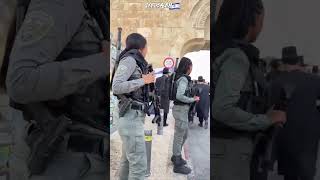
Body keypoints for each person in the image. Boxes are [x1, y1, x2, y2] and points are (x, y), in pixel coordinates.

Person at [3, 1, 109, 179]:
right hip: (65, 160)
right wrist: (104, 63)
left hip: (88, 157)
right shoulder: (60, 4)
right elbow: (20, 82)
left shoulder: (94, 6)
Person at [212, 0, 287, 180]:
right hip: (228, 155)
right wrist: (265, 120)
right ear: (252, 19)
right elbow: (223, 109)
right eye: (261, 19)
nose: (262, 26)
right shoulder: (236, 57)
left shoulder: (221, 49)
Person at [270, 46, 320, 180]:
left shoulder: (276, 82)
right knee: (307, 173)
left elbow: (269, 107)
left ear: (283, 62)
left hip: (286, 133)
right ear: (298, 61)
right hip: (309, 134)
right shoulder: (314, 80)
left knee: (289, 174)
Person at [112, 33, 155, 180]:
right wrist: (143, 81)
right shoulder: (130, 60)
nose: (147, 49)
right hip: (130, 117)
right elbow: (116, 87)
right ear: (142, 47)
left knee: (127, 161)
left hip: (132, 117)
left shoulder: (135, 61)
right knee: (139, 166)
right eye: (147, 46)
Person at [171, 57, 200, 174]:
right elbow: (179, 96)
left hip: (181, 110)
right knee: (180, 135)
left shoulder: (182, 78)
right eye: (191, 66)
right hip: (180, 110)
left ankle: (176, 155)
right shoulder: (183, 79)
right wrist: (193, 99)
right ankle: (177, 163)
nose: (192, 69)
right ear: (188, 67)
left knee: (184, 134)